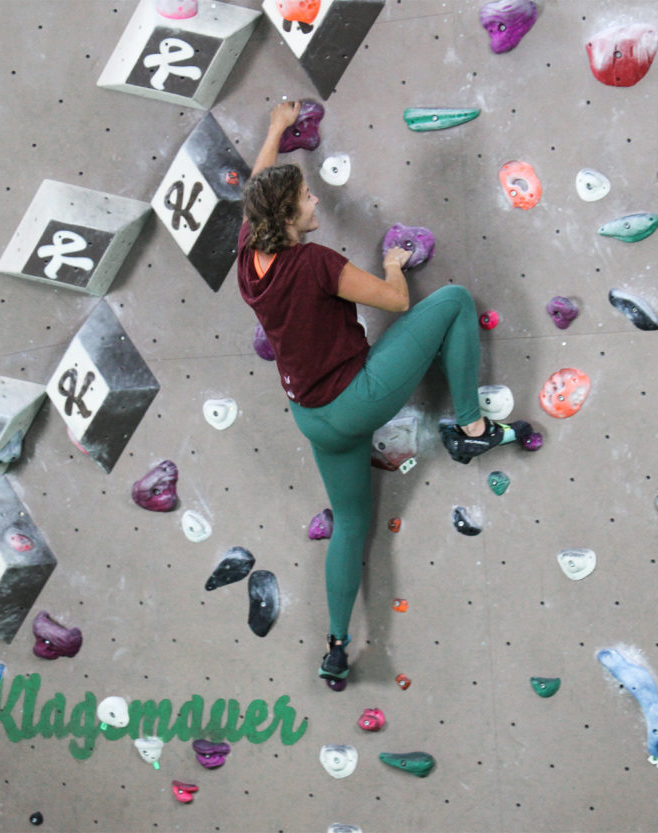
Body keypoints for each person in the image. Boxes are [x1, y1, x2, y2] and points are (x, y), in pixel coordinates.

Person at [236, 100, 526, 686]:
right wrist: (393, 263)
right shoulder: (313, 262)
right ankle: (472, 429)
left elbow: (255, 191)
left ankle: (337, 647)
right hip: (355, 396)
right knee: (454, 302)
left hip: (312, 417)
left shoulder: (249, 258)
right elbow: (395, 303)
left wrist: (275, 130)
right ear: (290, 217)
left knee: (349, 523)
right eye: (306, 199)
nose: (315, 199)